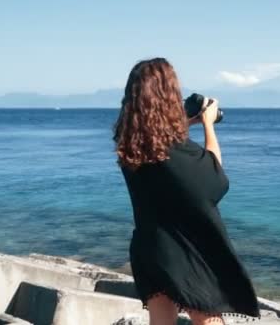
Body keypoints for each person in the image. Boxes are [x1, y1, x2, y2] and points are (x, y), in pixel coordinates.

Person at [112, 58, 261, 325]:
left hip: (150, 248)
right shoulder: (173, 149)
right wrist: (208, 124)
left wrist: (185, 123)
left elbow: (161, 146)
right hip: (185, 252)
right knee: (208, 320)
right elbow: (215, 180)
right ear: (169, 95)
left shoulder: (129, 142)